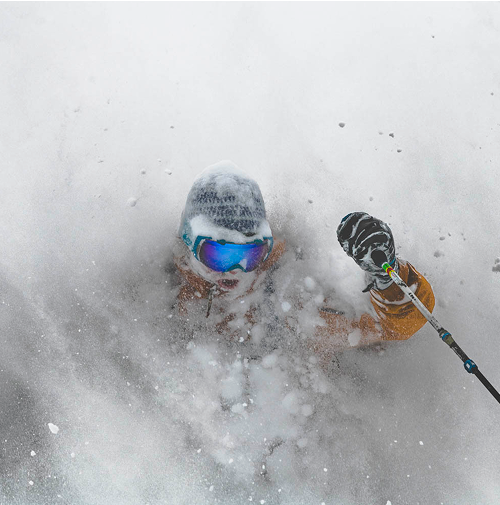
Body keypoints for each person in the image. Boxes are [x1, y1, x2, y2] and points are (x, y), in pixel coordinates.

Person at [173, 160, 435, 360]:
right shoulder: (165, 287)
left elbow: (396, 328)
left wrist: (388, 280)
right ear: (189, 241)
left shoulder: (290, 300)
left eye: (251, 254)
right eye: (218, 255)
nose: (235, 270)